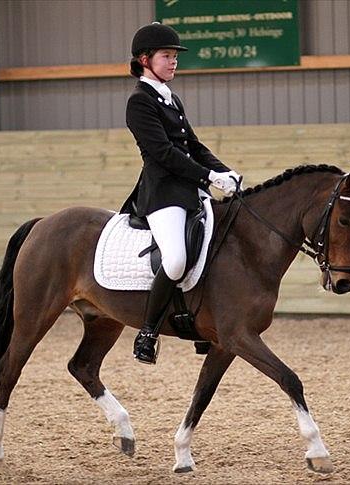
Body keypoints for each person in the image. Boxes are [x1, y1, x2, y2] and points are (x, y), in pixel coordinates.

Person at [120, 22, 240, 365]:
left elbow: (193, 146)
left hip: (190, 190)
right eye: (166, 56)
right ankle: (147, 332)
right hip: (162, 194)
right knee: (175, 259)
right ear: (145, 59)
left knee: (218, 248)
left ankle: (201, 323)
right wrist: (209, 177)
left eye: (174, 56)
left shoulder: (170, 97)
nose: (173, 62)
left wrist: (224, 170)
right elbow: (164, 153)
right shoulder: (139, 102)